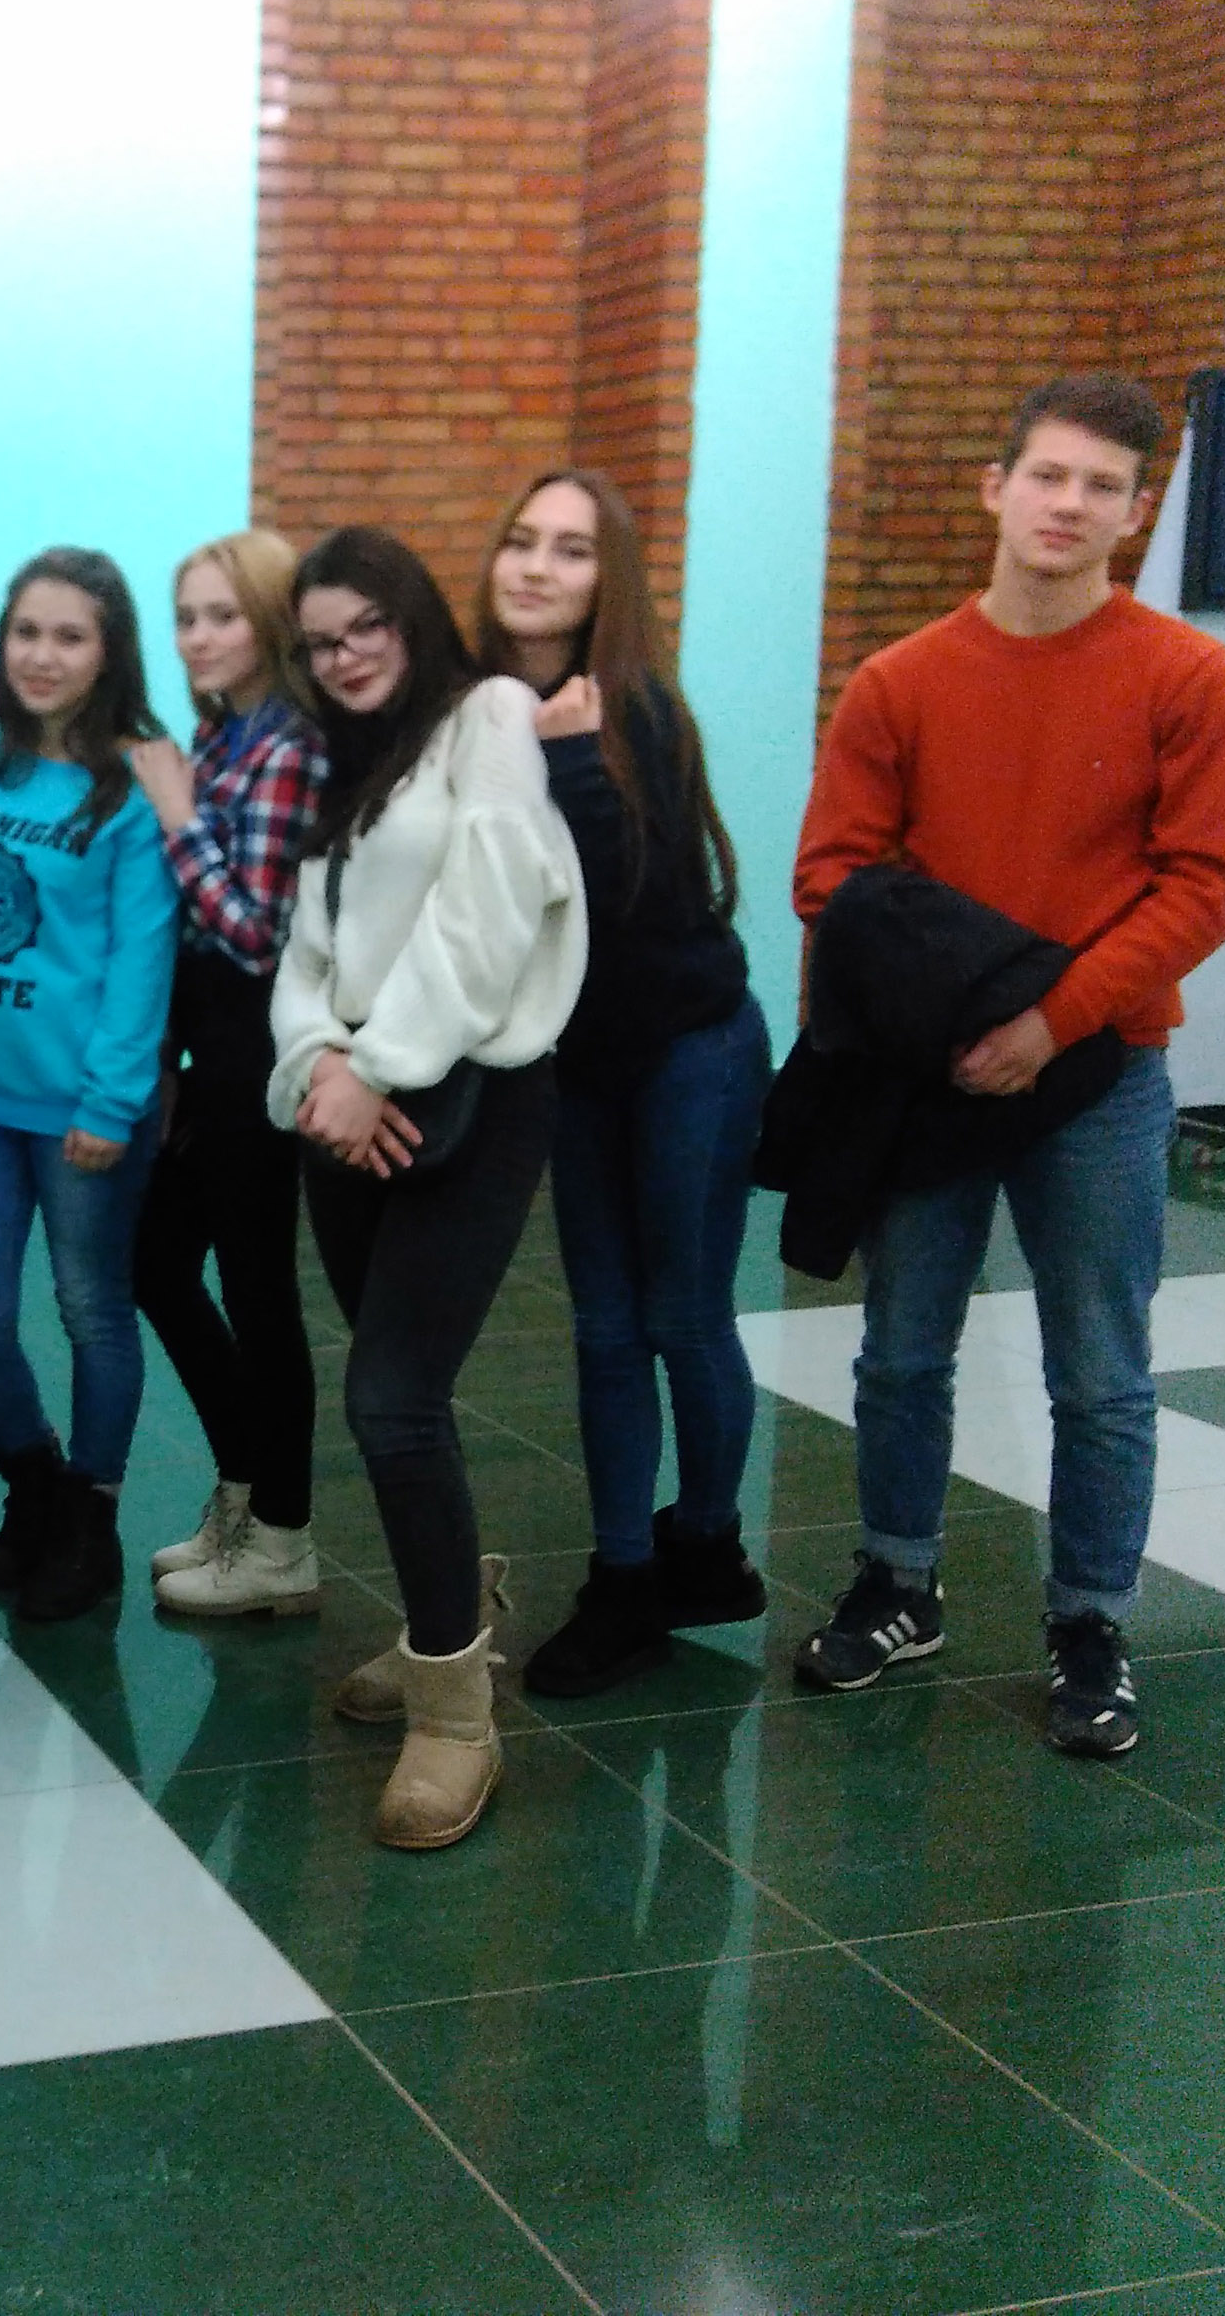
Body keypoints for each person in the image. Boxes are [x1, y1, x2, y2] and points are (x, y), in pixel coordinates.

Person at [790, 374, 1225, 1757]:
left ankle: (1090, 1621)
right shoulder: (902, 681)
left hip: (1101, 1076)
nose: (1069, 505)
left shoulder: (1189, 678)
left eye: (1102, 486)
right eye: (1048, 475)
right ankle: (897, 1580)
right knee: (900, 1354)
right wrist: (956, 1017)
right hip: (934, 1075)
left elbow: (1206, 883)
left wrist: (1053, 1020)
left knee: (1100, 1374)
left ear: (1136, 511)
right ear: (996, 488)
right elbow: (831, 875)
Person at [274, 527, 586, 1852]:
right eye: (320, 642)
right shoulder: (353, 758)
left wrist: (381, 1065)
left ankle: (457, 1717)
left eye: (366, 627)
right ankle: (441, 1616)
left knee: (391, 1401)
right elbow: (308, 947)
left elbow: (492, 906)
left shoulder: (489, 715)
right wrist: (316, 1062)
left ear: (411, 616)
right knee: (400, 1392)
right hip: (352, 1107)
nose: (345, 656)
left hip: (466, 1100)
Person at [469, 470, 773, 1696]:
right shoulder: (483, 709)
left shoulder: (633, 707)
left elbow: (629, 900)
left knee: (682, 1315)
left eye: (573, 549)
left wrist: (571, 762)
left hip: (693, 1046)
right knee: (603, 1325)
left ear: (611, 580)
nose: (538, 567)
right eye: (522, 540)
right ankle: (624, 1578)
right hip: (582, 1060)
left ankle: (707, 1544)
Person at [0, 548, 179, 1625]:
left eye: (70, 636)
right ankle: (36, 1485)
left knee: (91, 1308)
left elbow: (141, 962)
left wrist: (109, 1104)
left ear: (109, 654)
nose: (43, 656)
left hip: (82, 1113)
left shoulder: (130, 787)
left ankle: (92, 1514)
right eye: (27, 632)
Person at [127, 530, 335, 1616]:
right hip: (208, 1047)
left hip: (259, 1044)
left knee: (257, 1295)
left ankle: (284, 1540)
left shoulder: (287, 747)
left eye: (222, 615)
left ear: (270, 623)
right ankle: (246, 1491)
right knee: (157, 1266)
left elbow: (253, 932)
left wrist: (174, 815)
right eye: (186, 617)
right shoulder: (221, 737)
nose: (197, 637)